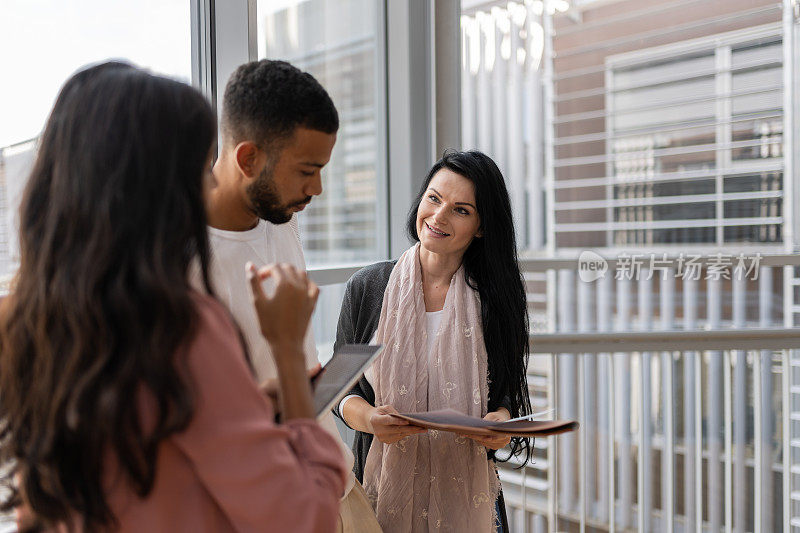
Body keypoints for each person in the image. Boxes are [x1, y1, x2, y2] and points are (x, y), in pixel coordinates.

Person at [0, 62, 345, 532]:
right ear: (156, 190)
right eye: (196, 170)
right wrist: (287, 353)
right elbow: (304, 519)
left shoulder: (36, 320)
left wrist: (242, 403)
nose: (207, 185)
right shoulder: (180, 325)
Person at [203, 59, 381, 532]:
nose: (317, 188)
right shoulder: (179, 259)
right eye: (307, 170)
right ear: (247, 159)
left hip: (327, 476)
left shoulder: (281, 214)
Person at [334, 150, 533, 532]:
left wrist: (500, 424)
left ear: (481, 227)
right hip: (379, 494)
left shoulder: (496, 299)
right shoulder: (368, 288)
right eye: (434, 198)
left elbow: (506, 395)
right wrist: (372, 420)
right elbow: (339, 391)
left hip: (468, 500)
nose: (438, 217)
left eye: (461, 210)